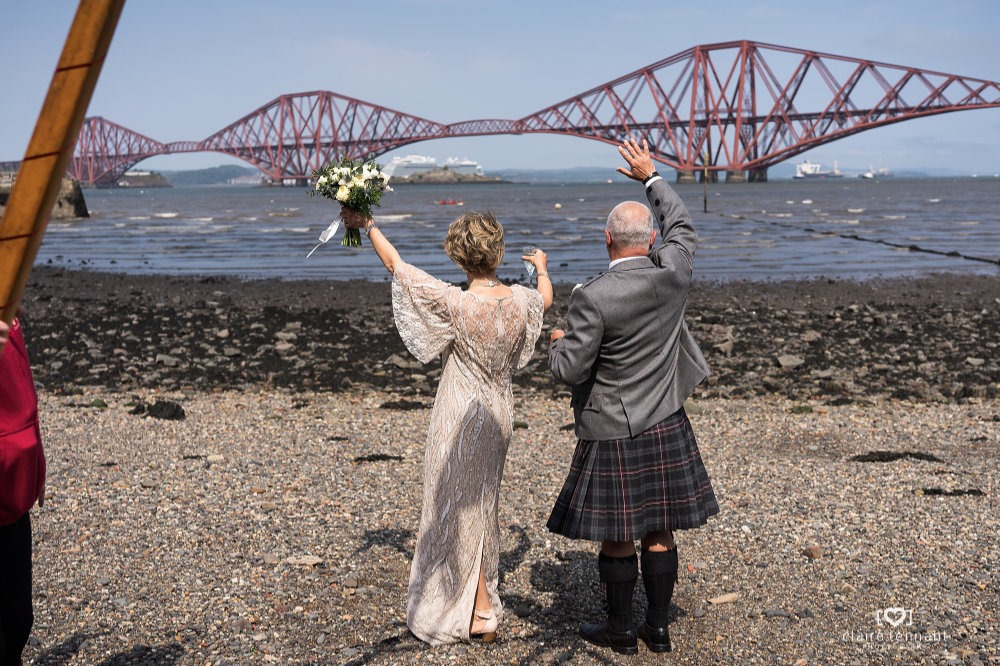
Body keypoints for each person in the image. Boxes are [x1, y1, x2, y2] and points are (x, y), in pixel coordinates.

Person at [340, 206, 552, 644]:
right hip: (499, 414)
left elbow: (397, 266)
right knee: (482, 504)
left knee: (455, 509)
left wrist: (369, 224)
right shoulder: (521, 300)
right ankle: (480, 597)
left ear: (459, 257)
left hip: (460, 414)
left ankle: (480, 610)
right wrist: (543, 269)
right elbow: (545, 298)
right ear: (497, 252)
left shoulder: (456, 302)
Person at [546, 138, 719, 655]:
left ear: (607, 240)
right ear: (649, 240)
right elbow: (683, 225)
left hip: (614, 429)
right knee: (660, 526)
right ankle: (658, 627)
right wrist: (650, 176)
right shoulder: (674, 272)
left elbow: (568, 369)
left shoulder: (592, 297)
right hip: (667, 418)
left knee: (619, 532)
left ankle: (621, 630)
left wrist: (555, 344)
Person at [0, 315, 46, 666]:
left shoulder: (9, 322)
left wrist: (37, 473)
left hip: (13, 497)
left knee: (18, 619)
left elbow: (27, 410)